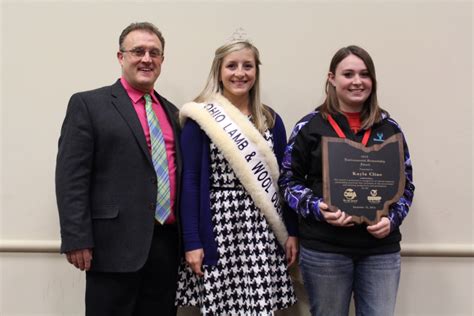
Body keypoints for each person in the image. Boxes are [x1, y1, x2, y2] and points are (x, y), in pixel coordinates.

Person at [55, 22, 181, 316]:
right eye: (138, 51)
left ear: (162, 60)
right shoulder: (89, 104)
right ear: (120, 56)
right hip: (111, 246)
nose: (147, 58)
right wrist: (76, 238)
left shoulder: (173, 112)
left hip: (166, 245)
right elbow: (71, 177)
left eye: (154, 52)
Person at [279, 45, 415, 316]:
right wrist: (318, 208)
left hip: (380, 250)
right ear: (332, 78)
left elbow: (406, 186)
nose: (357, 81)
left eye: (364, 74)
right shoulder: (310, 126)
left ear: (372, 80)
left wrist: (393, 219)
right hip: (325, 250)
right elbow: (288, 182)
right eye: (348, 74)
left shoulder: (390, 128)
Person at [174, 37, 298, 315]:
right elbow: (191, 182)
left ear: (256, 71)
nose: (240, 73)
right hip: (218, 228)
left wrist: (291, 231)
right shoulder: (201, 117)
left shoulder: (271, 120)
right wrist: (192, 241)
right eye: (231, 66)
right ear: (218, 70)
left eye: (248, 66)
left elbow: (283, 181)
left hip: (263, 229)